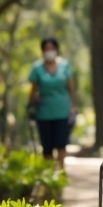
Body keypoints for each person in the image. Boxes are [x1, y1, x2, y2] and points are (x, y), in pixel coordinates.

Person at [28, 38, 76, 168]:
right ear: (43, 51)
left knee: (61, 143)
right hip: (43, 112)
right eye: (47, 49)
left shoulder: (65, 65)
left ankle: (60, 171)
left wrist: (73, 106)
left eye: (52, 48)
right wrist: (30, 107)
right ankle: (49, 175)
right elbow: (33, 90)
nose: (50, 51)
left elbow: (71, 88)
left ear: (57, 49)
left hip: (63, 111)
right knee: (47, 145)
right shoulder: (36, 68)